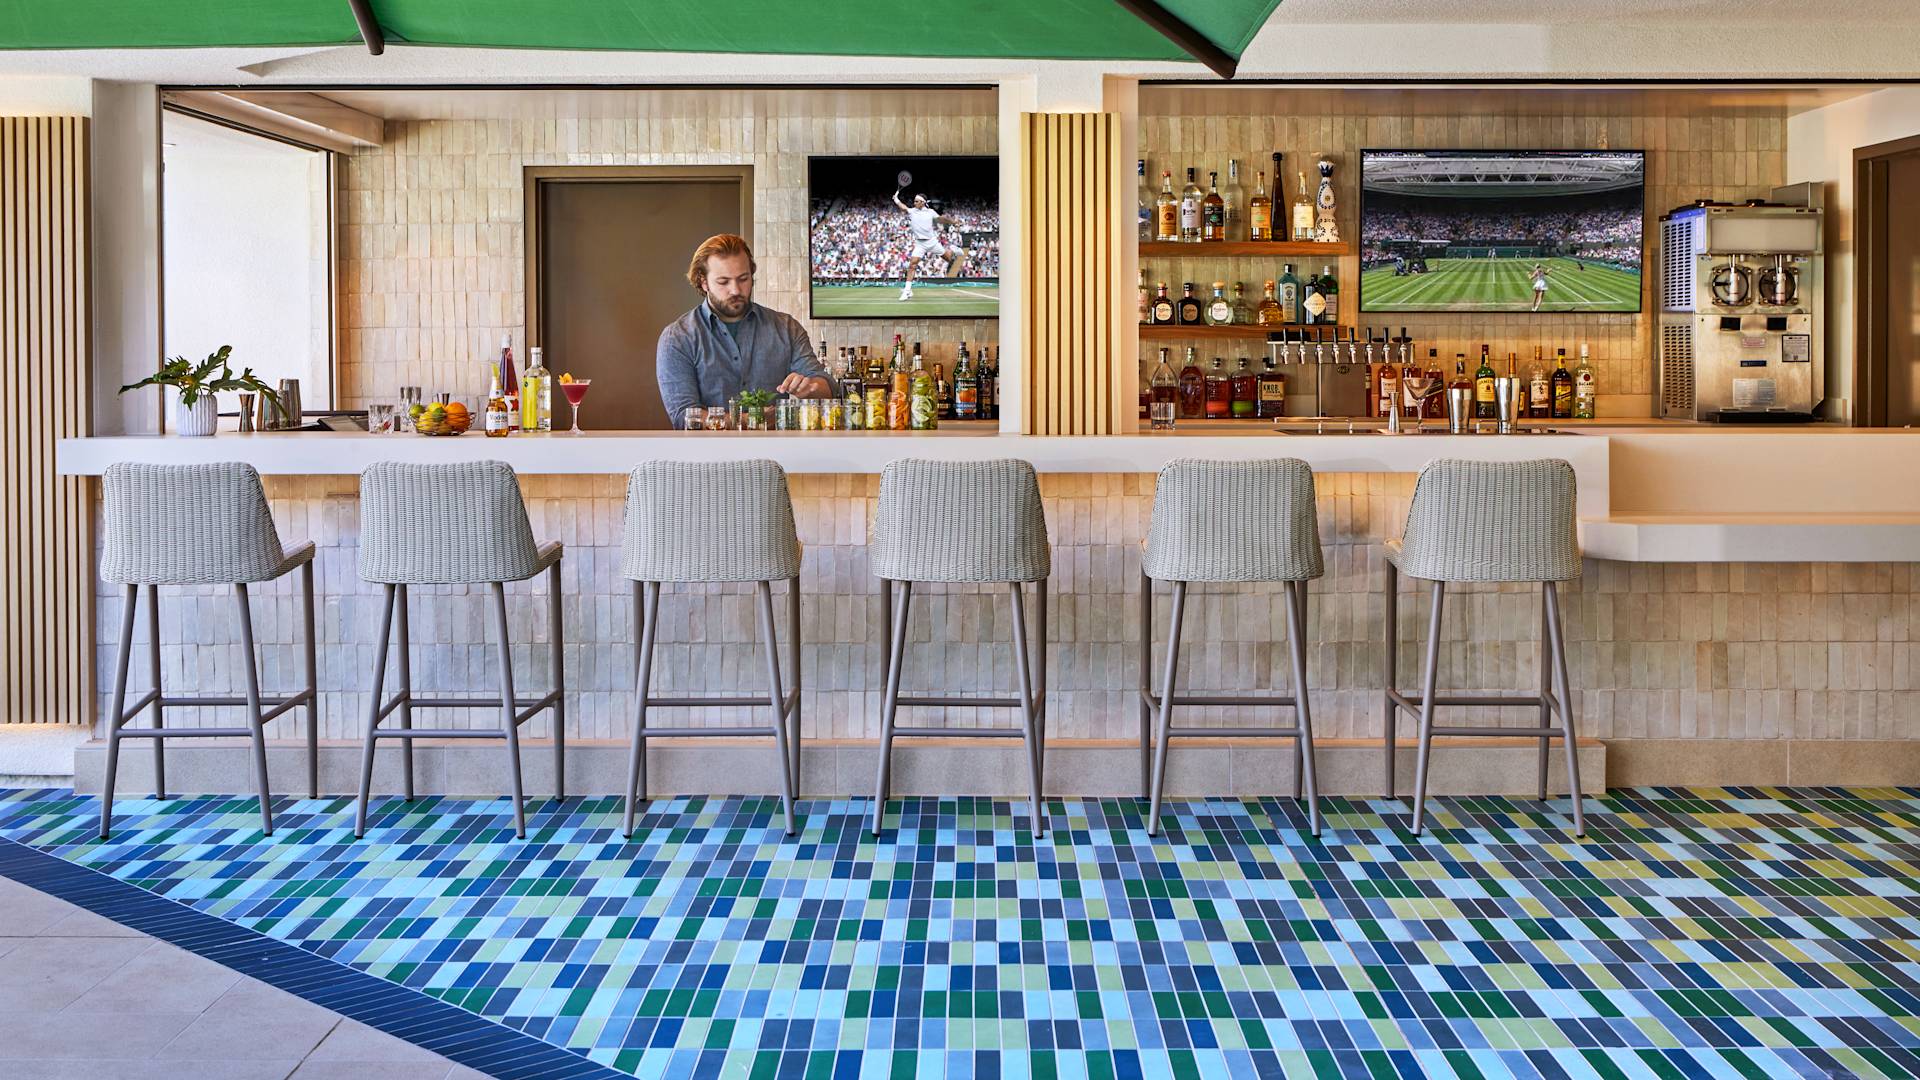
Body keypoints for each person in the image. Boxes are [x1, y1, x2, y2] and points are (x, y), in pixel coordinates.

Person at [656, 234, 833, 428]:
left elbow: (827, 388)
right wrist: (752, 420)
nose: (735, 290)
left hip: (780, 454)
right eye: (723, 282)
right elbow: (684, 415)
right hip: (708, 455)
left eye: (743, 279)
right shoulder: (678, 338)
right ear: (703, 282)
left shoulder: (786, 328)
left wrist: (811, 387)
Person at [892, 190, 964, 301]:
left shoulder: (930, 212)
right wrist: (896, 199)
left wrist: (954, 222)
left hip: (932, 242)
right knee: (912, 265)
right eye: (914, 201)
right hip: (920, 244)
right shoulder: (912, 211)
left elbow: (942, 218)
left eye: (916, 201)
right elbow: (903, 207)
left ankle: (953, 250)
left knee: (948, 258)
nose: (914, 203)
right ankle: (907, 291)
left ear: (922, 202)